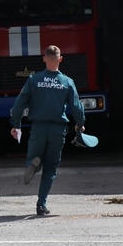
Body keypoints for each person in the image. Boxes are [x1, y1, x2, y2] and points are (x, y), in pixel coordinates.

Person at [10, 45, 85, 216]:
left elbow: (19, 104)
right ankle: (41, 205)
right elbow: (76, 107)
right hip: (57, 130)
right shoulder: (67, 82)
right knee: (50, 168)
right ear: (60, 59)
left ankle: (33, 165)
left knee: (33, 158)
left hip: (39, 128)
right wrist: (80, 124)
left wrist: (16, 124)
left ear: (44, 58)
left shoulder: (34, 80)